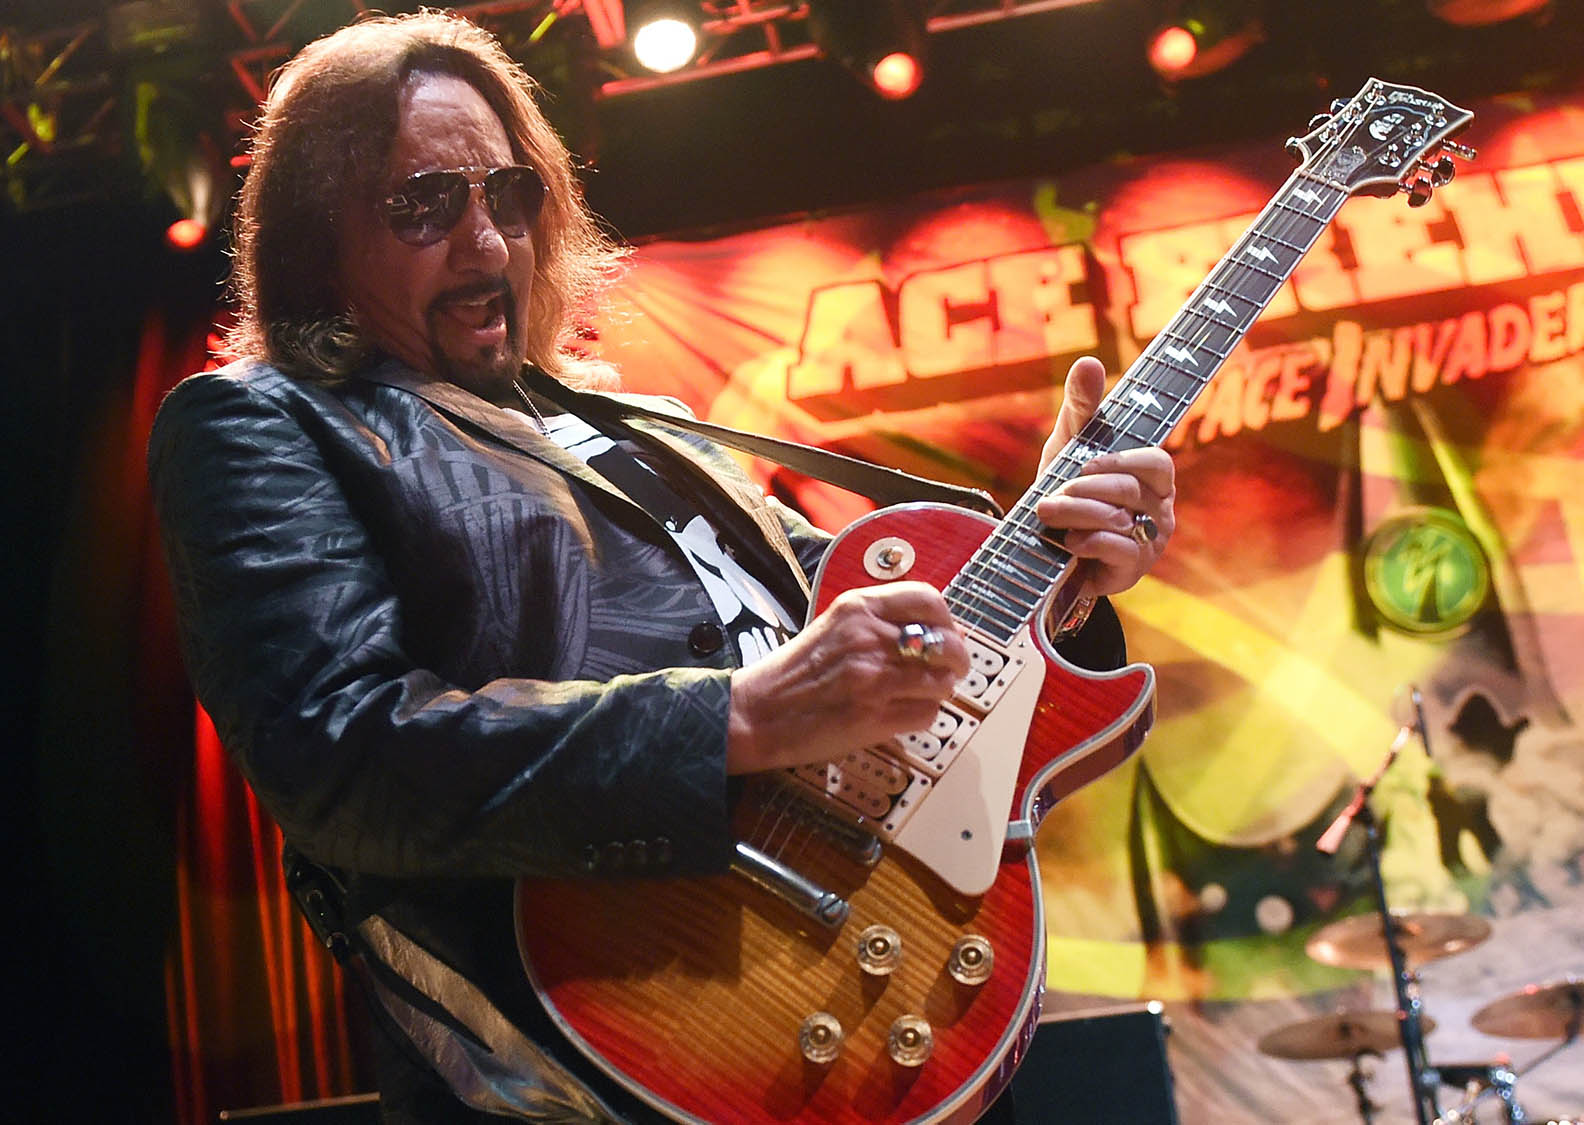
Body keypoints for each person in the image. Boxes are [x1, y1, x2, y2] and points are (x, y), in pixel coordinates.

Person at [147, 12, 1176, 1122]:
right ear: (315, 237)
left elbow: (893, 635)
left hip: (864, 990)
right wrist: (740, 719)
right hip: (612, 1041)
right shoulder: (265, 423)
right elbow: (337, 753)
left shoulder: (651, 427)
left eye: (509, 195)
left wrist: (1059, 557)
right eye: (422, 204)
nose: (487, 243)